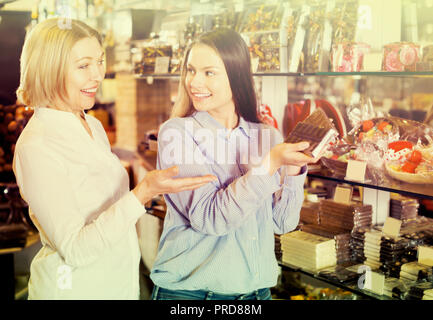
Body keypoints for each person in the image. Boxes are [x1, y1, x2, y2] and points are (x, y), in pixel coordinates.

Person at [12, 18, 216, 300]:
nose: (97, 75)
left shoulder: (91, 125)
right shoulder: (37, 145)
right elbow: (75, 249)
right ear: (50, 69)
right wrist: (143, 192)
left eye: (99, 61)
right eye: (83, 66)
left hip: (116, 286)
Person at [150, 28, 319, 300]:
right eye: (191, 70)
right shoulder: (177, 134)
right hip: (192, 296)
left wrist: (292, 171)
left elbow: (283, 223)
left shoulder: (268, 136)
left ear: (237, 76)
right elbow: (210, 218)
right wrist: (269, 164)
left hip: (255, 295)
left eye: (209, 72)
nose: (194, 82)